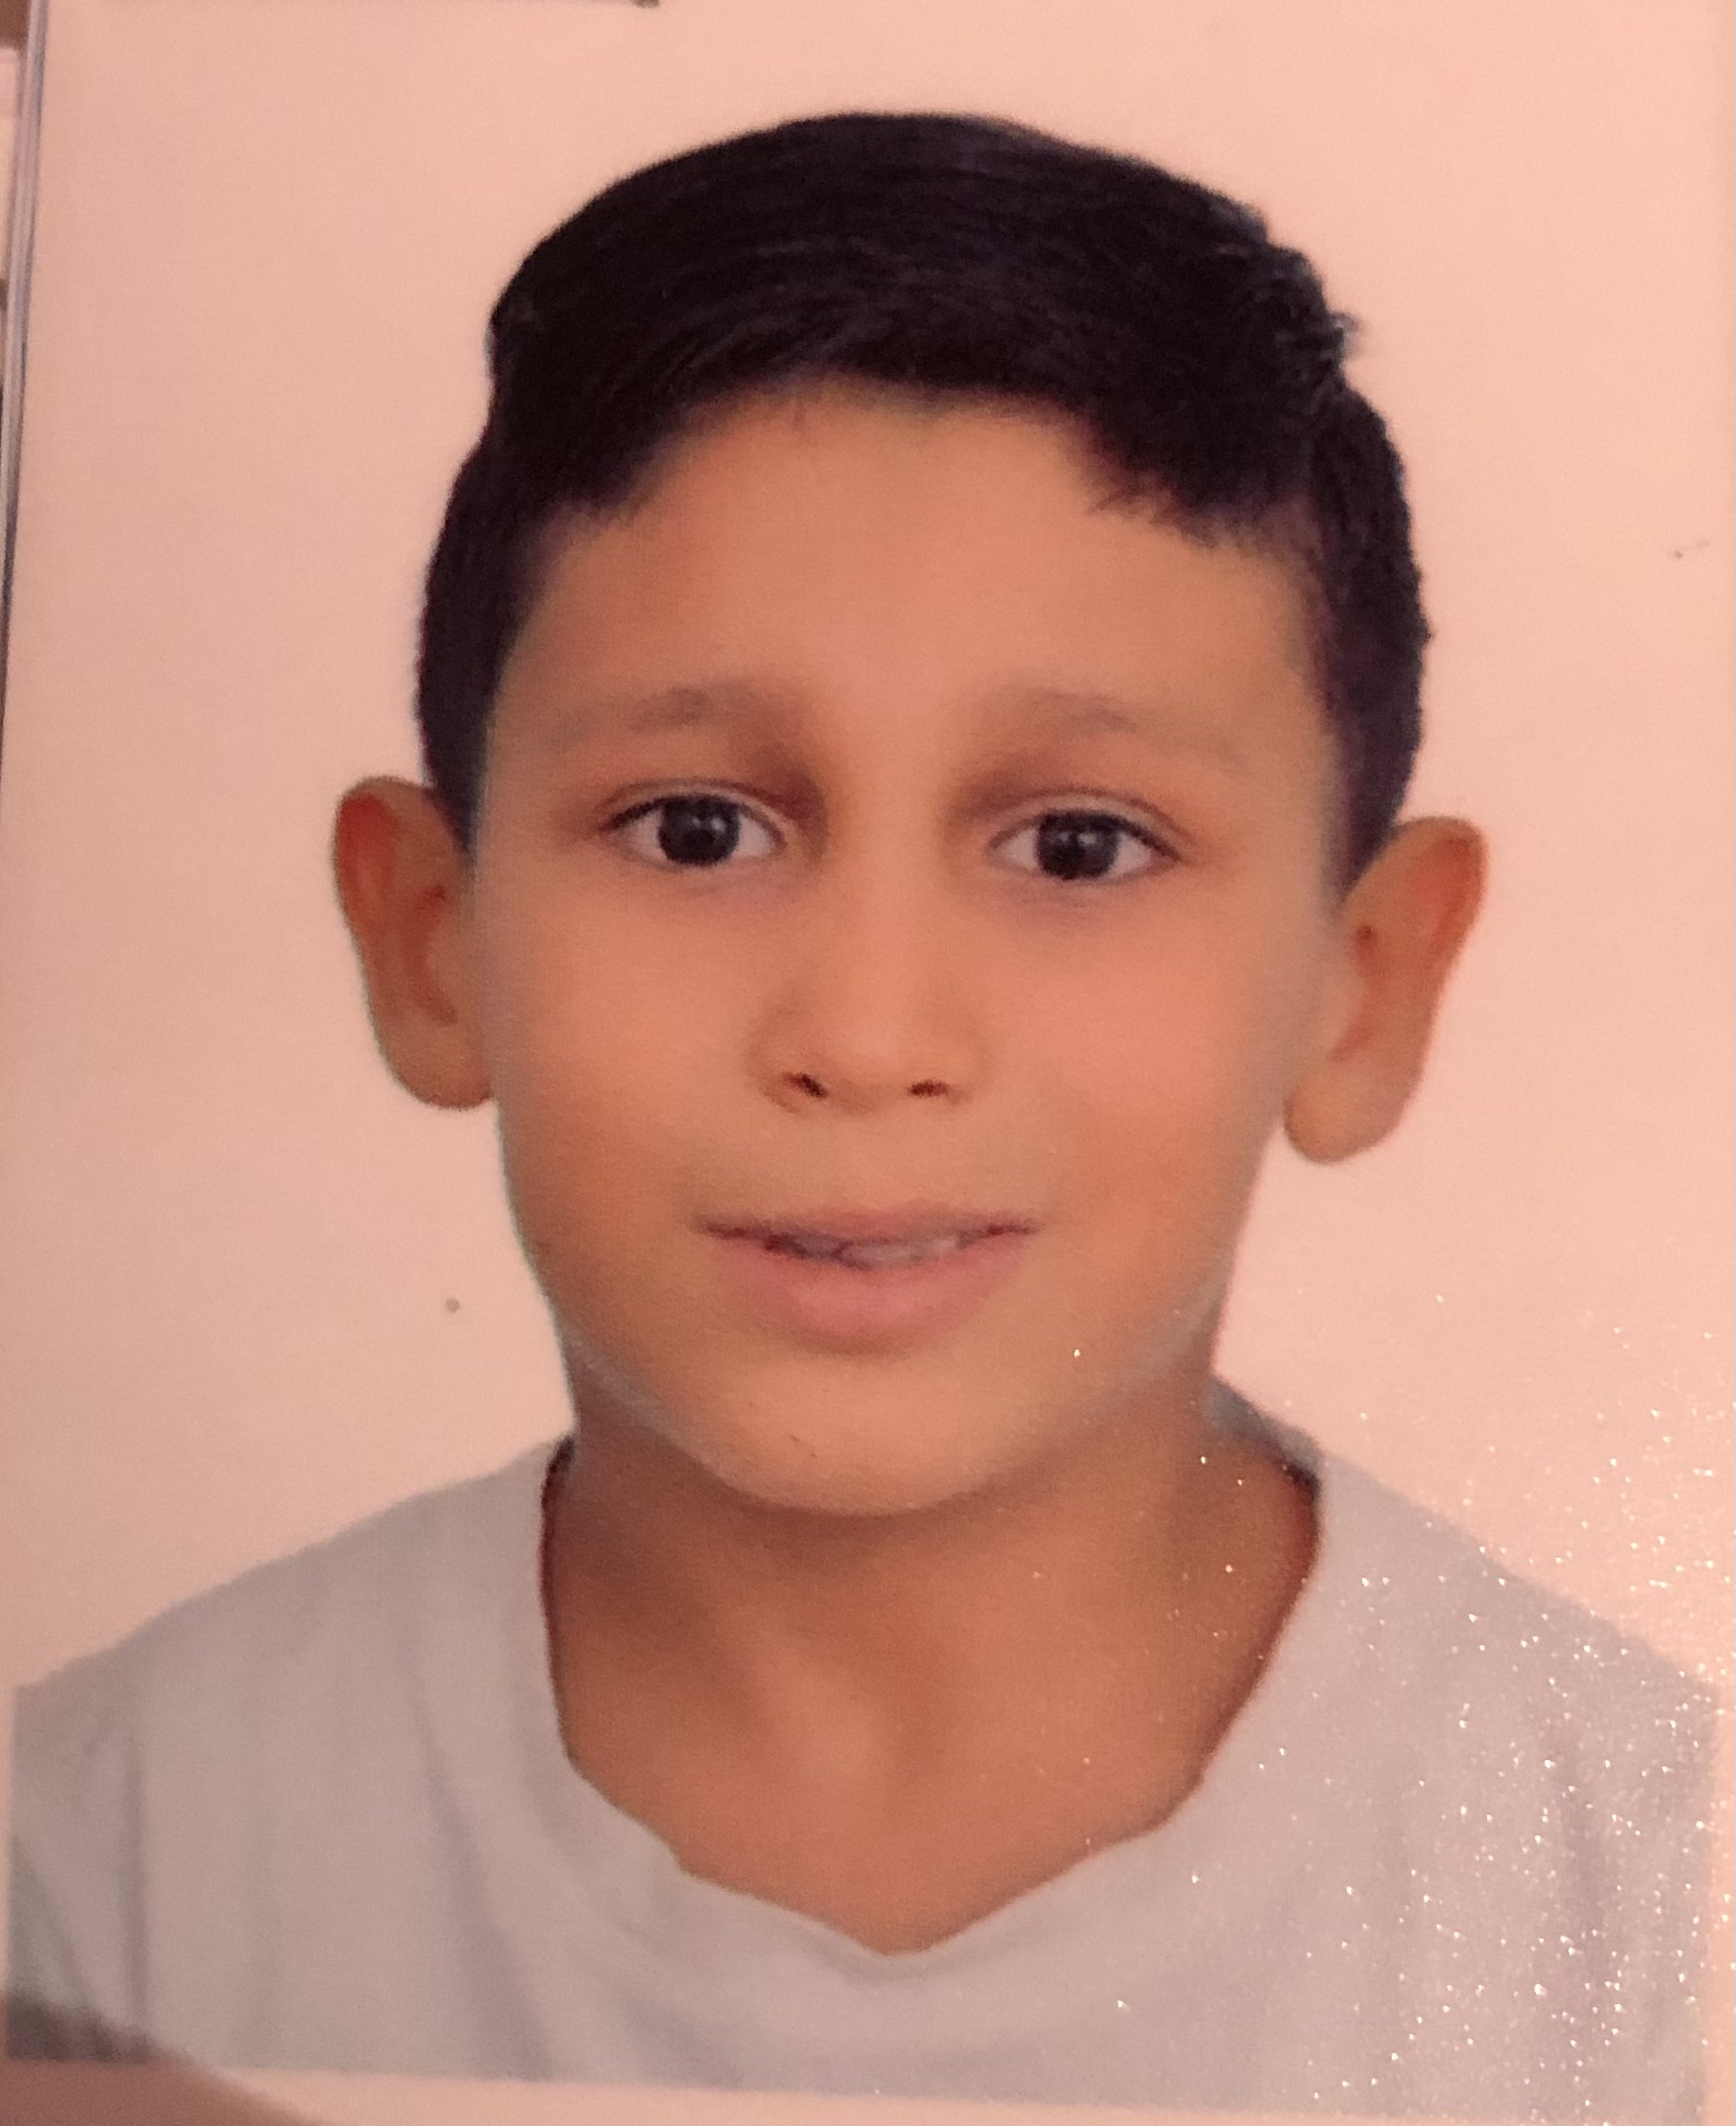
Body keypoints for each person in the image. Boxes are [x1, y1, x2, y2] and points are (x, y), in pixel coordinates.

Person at [7, 113, 1710, 2118]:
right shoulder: (94, 1873)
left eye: (1077, 845)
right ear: (432, 940)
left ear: (1366, 983)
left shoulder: (1659, 1906)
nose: (868, 1034)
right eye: (696, 828)